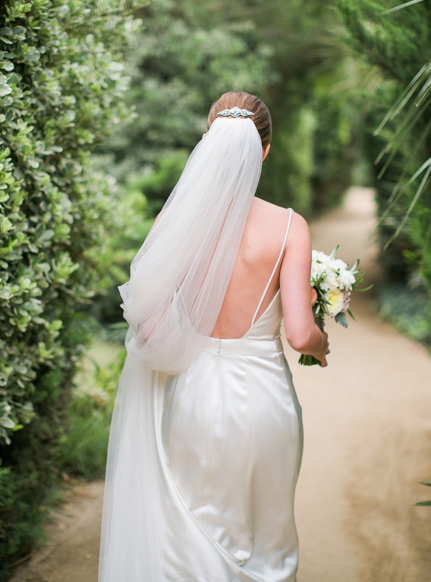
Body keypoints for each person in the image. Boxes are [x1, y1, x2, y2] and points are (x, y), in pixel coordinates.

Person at [99, 91, 329, 581]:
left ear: (209, 141)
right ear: (265, 149)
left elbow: (151, 325)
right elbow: (298, 333)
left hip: (195, 397)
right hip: (267, 401)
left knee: (193, 530)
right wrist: (321, 341)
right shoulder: (290, 227)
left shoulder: (173, 224)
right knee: (268, 539)